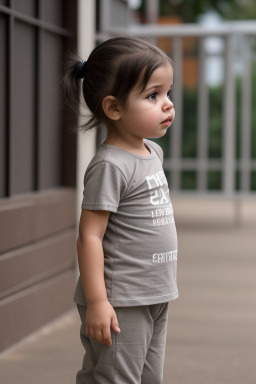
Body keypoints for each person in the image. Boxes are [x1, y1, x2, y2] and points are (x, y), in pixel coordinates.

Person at [63, 36, 178, 384]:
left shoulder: (152, 153)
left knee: (147, 378)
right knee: (115, 377)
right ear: (113, 108)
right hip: (121, 297)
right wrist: (98, 302)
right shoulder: (110, 165)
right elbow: (90, 236)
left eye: (168, 93)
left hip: (155, 291)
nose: (168, 105)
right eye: (153, 96)